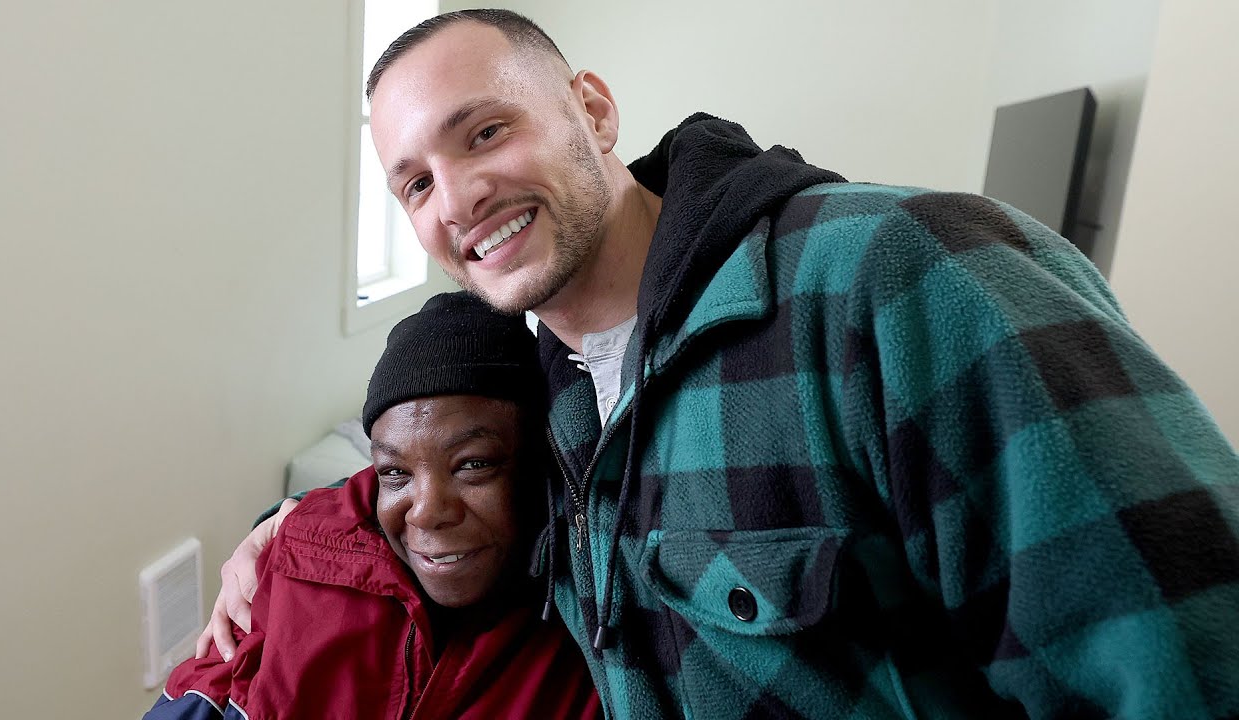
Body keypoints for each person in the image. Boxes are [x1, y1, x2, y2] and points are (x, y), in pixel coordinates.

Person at [207, 9, 1239, 719]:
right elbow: (437, 465)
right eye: (414, 184)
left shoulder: (897, 276)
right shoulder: (557, 391)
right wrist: (280, 534)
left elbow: (1185, 655)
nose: (455, 198)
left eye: (484, 132)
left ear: (593, 112)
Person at [152, 292, 600, 719]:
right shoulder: (302, 562)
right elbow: (207, 693)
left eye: (472, 465)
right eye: (395, 472)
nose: (425, 511)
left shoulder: (597, 618)